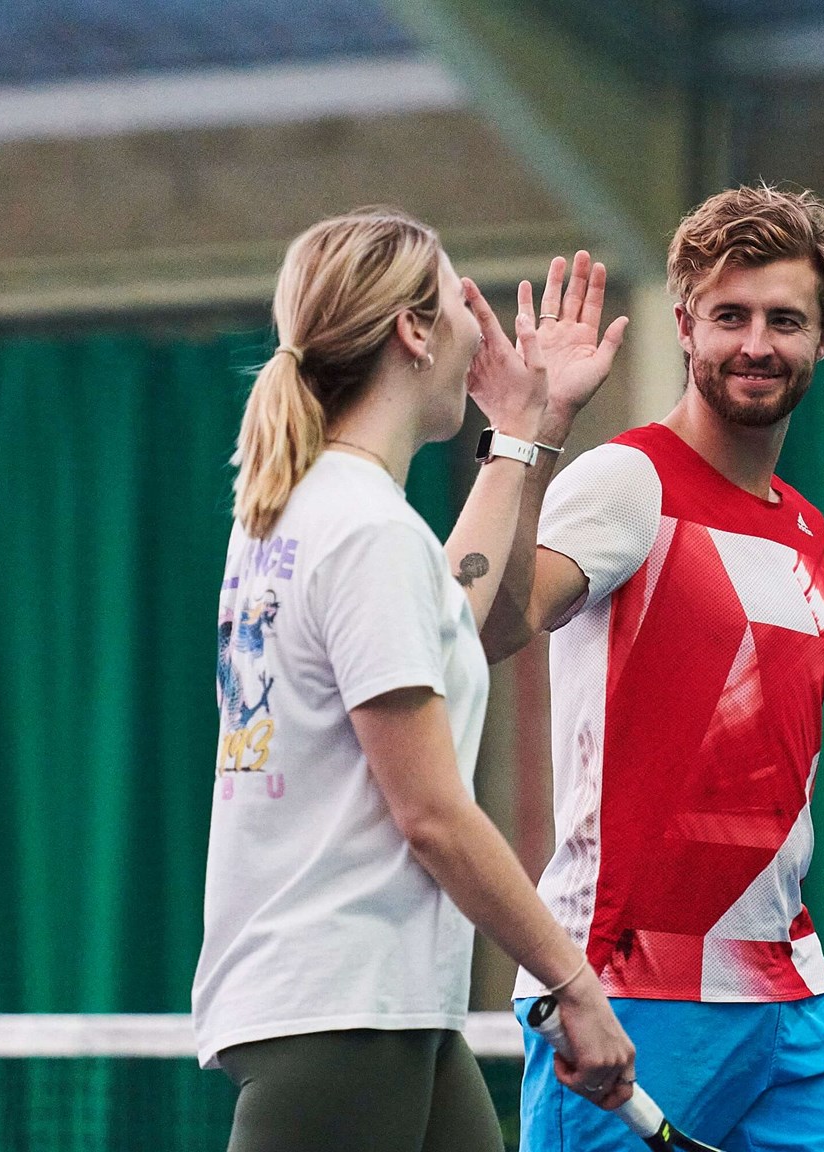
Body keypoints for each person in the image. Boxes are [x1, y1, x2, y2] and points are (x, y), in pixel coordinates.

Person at [192, 208, 642, 1152]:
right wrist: (572, 980)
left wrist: (521, 430)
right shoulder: (366, 531)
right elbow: (432, 814)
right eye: (461, 301)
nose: (483, 330)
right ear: (413, 331)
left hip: (389, 1009)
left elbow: (450, 616)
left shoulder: (301, 511)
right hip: (339, 1013)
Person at [482, 187, 824, 1151]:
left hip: (790, 990)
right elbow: (500, 625)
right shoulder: (630, 480)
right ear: (684, 326)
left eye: (784, 319)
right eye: (730, 316)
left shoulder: (804, 528)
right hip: (628, 987)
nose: (756, 343)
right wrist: (531, 436)